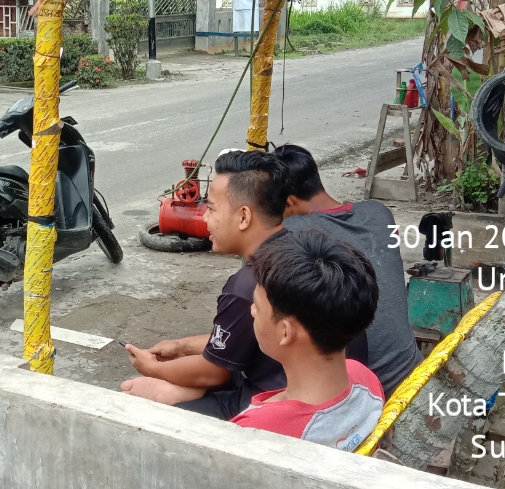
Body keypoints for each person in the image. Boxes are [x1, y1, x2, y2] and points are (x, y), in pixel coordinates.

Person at [121, 150, 365, 419]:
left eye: (211, 208)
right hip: (341, 389)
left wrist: (152, 368)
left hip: (288, 404)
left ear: (244, 217)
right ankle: (183, 391)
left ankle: (177, 399)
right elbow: (237, 341)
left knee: (142, 402)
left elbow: (213, 372)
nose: (204, 218)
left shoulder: (249, 285)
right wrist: (182, 346)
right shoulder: (300, 250)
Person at [273, 144, 422, 396]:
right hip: (411, 372)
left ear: (288, 202)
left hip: (366, 394)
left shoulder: (293, 234)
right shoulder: (378, 213)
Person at [231, 229, 384, 450]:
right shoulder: (365, 381)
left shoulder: (256, 430)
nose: (252, 311)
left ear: (286, 332)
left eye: (257, 305)